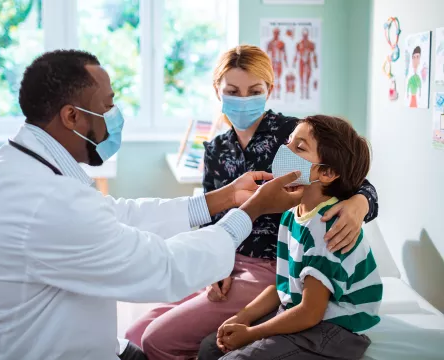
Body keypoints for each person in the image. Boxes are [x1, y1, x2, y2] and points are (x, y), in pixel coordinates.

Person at [0, 50, 305, 360]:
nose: (115, 116)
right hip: (37, 350)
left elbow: (119, 214)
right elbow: (164, 269)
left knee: (150, 340)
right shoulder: (45, 201)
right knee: (143, 337)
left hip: (266, 266)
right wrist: (250, 210)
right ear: (71, 116)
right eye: (108, 105)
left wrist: (225, 198)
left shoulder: (19, 167)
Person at [125, 45, 378, 359]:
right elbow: (211, 216)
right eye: (232, 91)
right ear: (217, 91)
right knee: (134, 335)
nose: (243, 100)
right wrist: (216, 263)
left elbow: (354, 179)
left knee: (157, 339)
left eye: (254, 91)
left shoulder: (294, 134)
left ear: (269, 90)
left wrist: (359, 205)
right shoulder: (216, 148)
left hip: (273, 267)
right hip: (227, 261)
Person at [198, 115, 382, 360]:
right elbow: (283, 286)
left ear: (326, 173)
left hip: (335, 329)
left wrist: (252, 333)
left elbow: (310, 312)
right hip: (304, 311)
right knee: (210, 347)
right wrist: (243, 317)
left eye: (299, 147)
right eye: (288, 142)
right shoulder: (291, 216)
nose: (284, 150)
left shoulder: (327, 227)